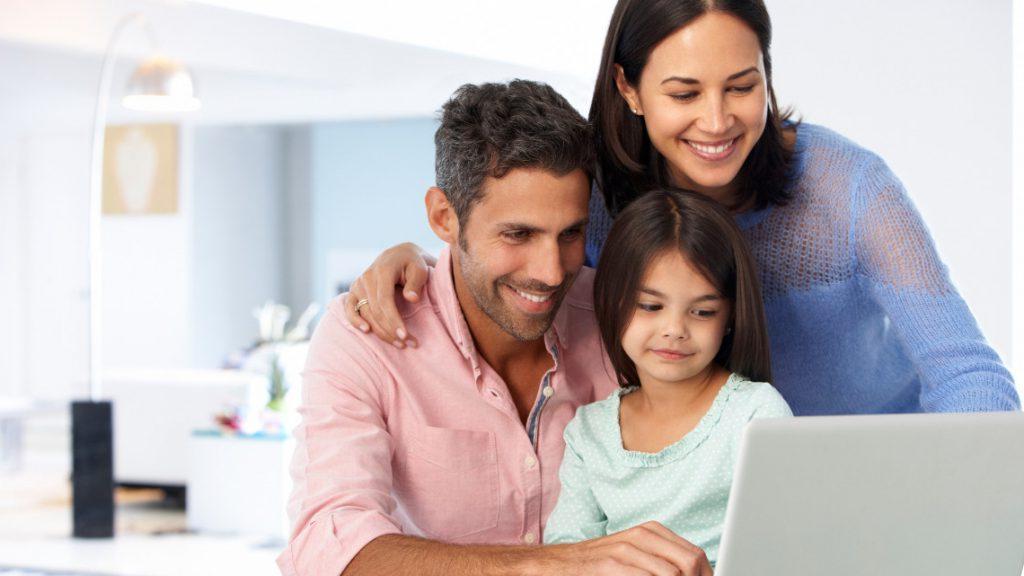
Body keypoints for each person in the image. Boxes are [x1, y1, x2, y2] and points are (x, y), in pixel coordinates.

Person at [344, 0, 1019, 415]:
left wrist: (964, 488)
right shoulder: (602, 199)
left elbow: (966, 371)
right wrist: (411, 259)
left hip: (877, 472)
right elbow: (504, 234)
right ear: (629, 89)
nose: (718, 121)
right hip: (712, 500)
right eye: (685, 92)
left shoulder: (848, 187)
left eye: (742, 86)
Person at [279, 80, 713, 576]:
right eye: (518, 234)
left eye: (570, 233)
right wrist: (555, 566)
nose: (551, 272)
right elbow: (326, 545)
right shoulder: (366, 336)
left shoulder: (622, 318)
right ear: (444, 217)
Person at [543, 189, 792, 569]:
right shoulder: (589, 433)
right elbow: (564, 555)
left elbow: (789, 549)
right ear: (612, 301)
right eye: (650, 306)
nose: (674, 329)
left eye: (703, 312)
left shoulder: (754, 414)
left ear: (729, 320)